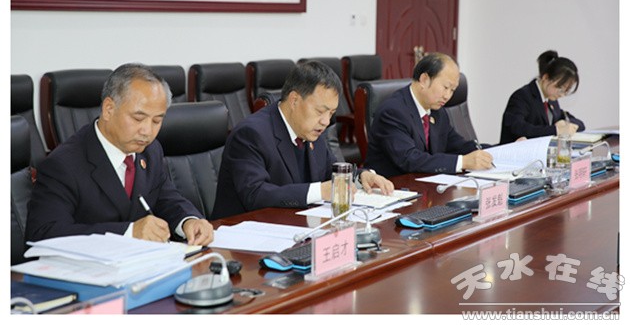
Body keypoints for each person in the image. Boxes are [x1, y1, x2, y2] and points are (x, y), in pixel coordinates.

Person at [25, 64, 214, 245]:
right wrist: (129, 232)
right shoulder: (63, 165)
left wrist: (188, 220)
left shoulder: (151, 150)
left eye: (157, 121)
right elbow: (44, 234)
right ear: (109, 109)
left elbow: (166, 198)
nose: (147, 131)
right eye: (138, 118)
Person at [212, 60, 394, 219]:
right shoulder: (251, 134)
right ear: (294, 100)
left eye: (331, 113)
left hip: (293, 227)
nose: (326, 121)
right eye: (320, 111)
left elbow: (330, 170)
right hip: (243, 235)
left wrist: (361, 177)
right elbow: (255, 194)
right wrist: (320, 191)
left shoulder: (310, 130)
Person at [364, 53, 493, 177]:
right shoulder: (393, 112)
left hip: (425, 183)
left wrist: (491, 152)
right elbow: (410, 159)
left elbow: (457, 145)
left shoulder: (437, 111)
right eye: (446, 87)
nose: (447, 96)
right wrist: (462, 162)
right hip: (391, 186)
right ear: (424, 80)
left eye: (452, 90)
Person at [500, 50, 585, 144]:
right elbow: (518, 127)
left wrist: (567, 124)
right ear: (545, 78)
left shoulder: (551, 99)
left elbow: (577, 122)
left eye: (566, 91)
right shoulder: (522, 96)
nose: (561, 95)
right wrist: (555, 130)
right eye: (560, 89)